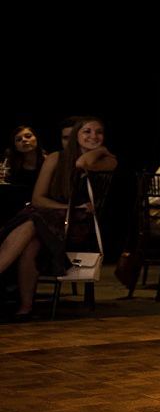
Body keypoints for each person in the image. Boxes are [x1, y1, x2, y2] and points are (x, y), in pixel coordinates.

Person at [0, 116, 116, 321]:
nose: (94, 136)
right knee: (30, 240)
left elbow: (83, 162)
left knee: (31, 224)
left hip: (77, 224)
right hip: (53, 216)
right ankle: (25, 308)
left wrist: (100, 149)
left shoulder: (107, 159)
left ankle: (23, 304)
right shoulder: (55, 158)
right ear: (76, 135)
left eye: (99, 132)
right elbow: (38, 198)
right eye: (87, 132)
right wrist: (65, 207)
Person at [3, 126, 47, 222]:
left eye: (28, 136)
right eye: (19, 139)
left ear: (36, 139)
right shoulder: (14, 168)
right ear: (15, 147)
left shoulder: (49, 162)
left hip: (43, 210)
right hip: (19, 210)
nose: (24, 140)